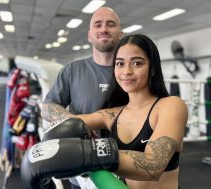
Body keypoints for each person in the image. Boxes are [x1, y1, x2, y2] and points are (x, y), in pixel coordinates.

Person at [72, 34, 188, 189]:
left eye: (137, 63)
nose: (126, 71)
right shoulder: (111, 115)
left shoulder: (171, 106)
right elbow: (69, 123)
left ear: (152, 68)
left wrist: (91, 154)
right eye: (120, 64)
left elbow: (153, 166)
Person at [41, 6, 123, 189]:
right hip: (83, 170)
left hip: (125, 168)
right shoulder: (72, 70)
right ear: (89, 35)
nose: (104, 29)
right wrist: (76, 125)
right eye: (98, 25)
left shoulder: (129, 72)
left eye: (111, 24)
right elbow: (48, 106)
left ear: (120, 34)